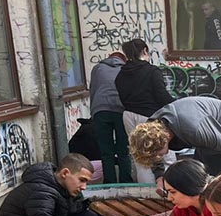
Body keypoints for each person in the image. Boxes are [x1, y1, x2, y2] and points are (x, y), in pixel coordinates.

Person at [115, 38, 176, 184]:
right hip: (152, 117)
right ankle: (170, 188)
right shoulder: (152, 71)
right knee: (165, 156)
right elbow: (162, 96)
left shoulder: (120, 75)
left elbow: (122, 98)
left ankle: (145, 192)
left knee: (141, 159)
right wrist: (176, 106)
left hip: (128, 115)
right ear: (145, 51)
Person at [89, 51, 132, 183]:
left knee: (105, 150)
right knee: (123, 149)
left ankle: (109, 182)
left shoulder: (97, 68)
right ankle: (126, 182)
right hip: (121, 109)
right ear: (123, 59)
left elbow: (93, 89)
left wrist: (93, 111)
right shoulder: (126, 68)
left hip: (100, 109)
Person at [67, 118, 103, 184]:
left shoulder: (86, 129)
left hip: (77, 163)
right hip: (84, 164)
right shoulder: (92, 130)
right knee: (105, 165)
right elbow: (97, 153)